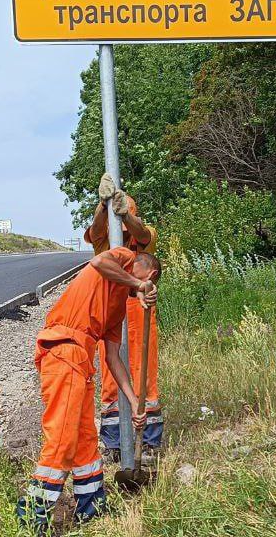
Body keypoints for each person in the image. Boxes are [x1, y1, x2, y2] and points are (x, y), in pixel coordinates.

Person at [16, 247, 161, 534]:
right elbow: (98, 261)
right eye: (148, 283)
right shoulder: (122, 257)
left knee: (84, 444)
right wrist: (138, 284)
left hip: (81, 362)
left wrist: (133, 402)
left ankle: (92, 509)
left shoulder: (119, 303)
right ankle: (32, 518)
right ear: (150, 274)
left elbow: (112, 357)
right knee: (62, 440)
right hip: (64, 351)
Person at [83, 174, 163, 459]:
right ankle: (115, 442)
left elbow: (142, 233)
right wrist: (102, 208)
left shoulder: (143, 240)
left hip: (140, 313)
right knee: (111, 379)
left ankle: (150, 440)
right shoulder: (104, 241)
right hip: (112, 316)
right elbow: (96, 230)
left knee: (144, 375)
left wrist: (125, 215)